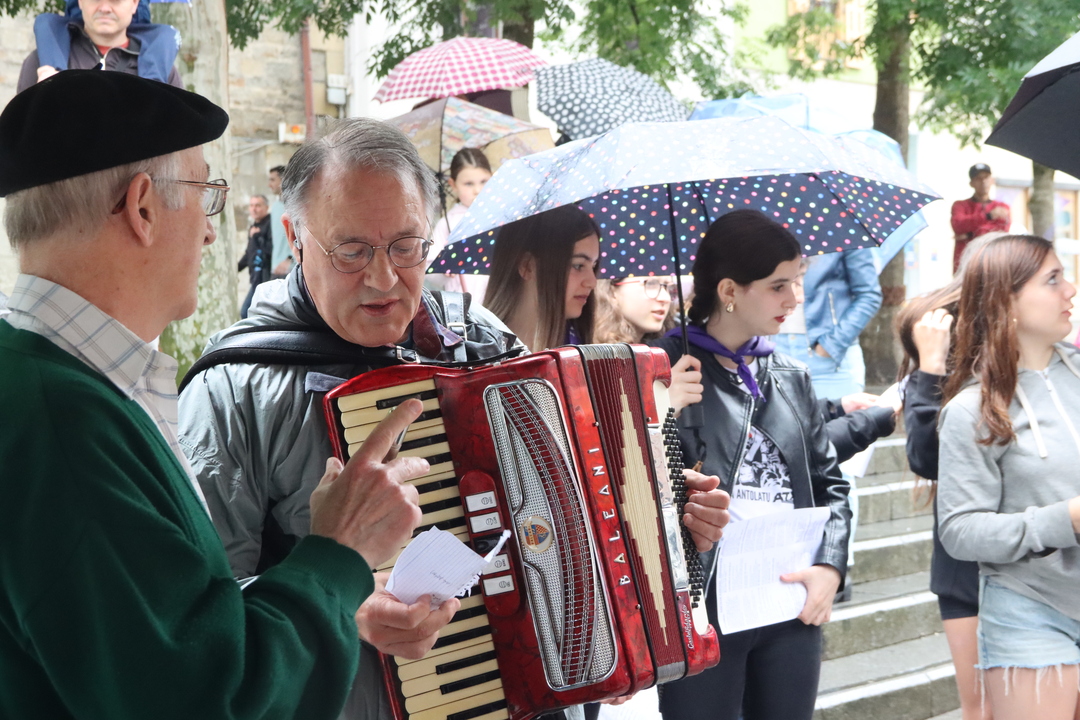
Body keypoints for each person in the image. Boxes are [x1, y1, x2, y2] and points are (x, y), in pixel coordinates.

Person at [178, 119, 733, 720]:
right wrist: (339, 599)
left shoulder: (480, 338)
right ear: (295, 237)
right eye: (352, 251)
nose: (383, 278)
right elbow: (198, 619)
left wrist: (665, 520)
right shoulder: (231, 391)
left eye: (406, 246)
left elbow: (571, 515)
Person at [0, 70, 427, 720]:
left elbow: (164, 643)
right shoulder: (63, 422)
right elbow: (206, 699)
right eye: (206, 195)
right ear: (143, 208)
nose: (209, 233)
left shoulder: (42, 382)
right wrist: (338, 551)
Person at [653, 209, 851, 720]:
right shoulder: (660, 365)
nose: (794, 299)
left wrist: (830, 566)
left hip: (788, 598)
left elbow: (830, 485)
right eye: (778, 285)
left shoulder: (790, 374)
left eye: (797, 281)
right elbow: (625, 484)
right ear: (729, 290)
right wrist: (658, 409)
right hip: (702, 606)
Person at [938, 234, 1080, 720]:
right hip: (1029, 607)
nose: (1071, 290)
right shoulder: (970, 410)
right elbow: (960, 530)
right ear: (1007, 301)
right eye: (1053, 279)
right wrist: (1065, 520)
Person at [484, 204, 600, 351]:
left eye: (593, 266)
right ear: (527, 266)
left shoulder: (580, 352)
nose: (592, 282)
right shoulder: (474, 352)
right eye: (578, 265)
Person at [18, 0, 183, 92]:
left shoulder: (163, 68)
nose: (104, 8)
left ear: (134, 3)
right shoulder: (41, 62)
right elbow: (19, 134)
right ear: (80, 2)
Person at [426, 147, 493, 298]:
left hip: (499, 299)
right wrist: (444, 268)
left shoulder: (501, 216)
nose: (477, 190)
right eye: (468, 184)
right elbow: (429, 265)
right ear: (453, 184)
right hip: (465, 301)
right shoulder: (449, 223)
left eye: (484, 181)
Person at [950, 163, 1010, 273]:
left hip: (993, 263)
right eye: (978, 178)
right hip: (965, 264)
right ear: (971, 183)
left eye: (986, 177)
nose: (983, 182)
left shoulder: (1002, 207)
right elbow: (958, 225)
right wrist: (988, 216)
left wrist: (969, 235)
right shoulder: (960, 205)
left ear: (992, 180)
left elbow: (1001, 234)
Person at [239, 194, 272, 318]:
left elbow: (272, 250)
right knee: (248, 313)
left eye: (258, 205)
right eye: (251, 205)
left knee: (246, 312)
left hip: (267, 279)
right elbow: (249, 253)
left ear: (266, 207)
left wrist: (257, 236)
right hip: (256, 279)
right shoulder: (254, 227)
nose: (254, 209)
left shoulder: (271, 224)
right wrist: (236, 268)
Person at [268, 164, 293, 279]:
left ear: (284, 180)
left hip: (292, 269)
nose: (269, 184)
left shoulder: (296, 206)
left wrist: (290, 259)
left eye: (272, 180)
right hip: (275, 269)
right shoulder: (275, 207)